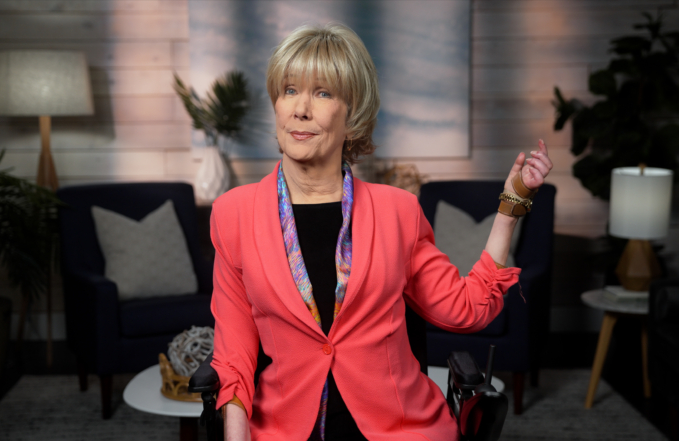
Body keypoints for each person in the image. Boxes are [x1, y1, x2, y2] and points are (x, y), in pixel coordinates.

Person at [210, 23, 553, 441]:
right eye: (288, 90)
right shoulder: (232, 214)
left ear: (351, 114)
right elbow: (234, 352)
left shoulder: (398, 211)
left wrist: (510, 206)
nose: (300, 108)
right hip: (283, 430)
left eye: (322, 93)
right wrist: (235, 431)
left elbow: (466, 309)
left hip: (397, 429)